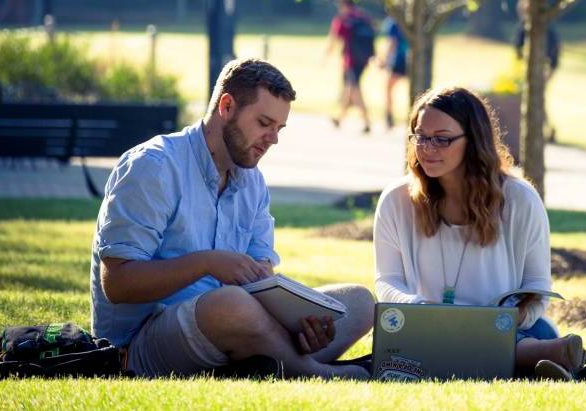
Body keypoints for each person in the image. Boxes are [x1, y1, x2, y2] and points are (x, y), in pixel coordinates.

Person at [89, 58, 374, 379]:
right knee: (231, 305)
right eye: (264, 123)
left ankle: (272, 359)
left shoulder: (252, 182)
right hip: (139, 346)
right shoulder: (154, 166)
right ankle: (316, 374)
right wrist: (207, 262)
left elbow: (262, 281)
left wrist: (301, 321)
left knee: (358, 302)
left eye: (279, 128)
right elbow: (118, 285)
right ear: (226, 106)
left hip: (231, 320)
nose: (273, 138)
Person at [372, 87, 584, 381]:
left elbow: (536, 290)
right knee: (413, 347)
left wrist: (489, 326)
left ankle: (527, 354)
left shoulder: (520, 200)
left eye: (442, 139)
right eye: (420, 136)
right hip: (425, 329)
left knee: (537, 333)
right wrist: (420, 309)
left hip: (510, 330)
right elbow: (387, 281)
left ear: (473, 141)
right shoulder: (396, 199)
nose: (427, 147)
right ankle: (541, 357)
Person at [513, 0, 560, 142]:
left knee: (539, 100)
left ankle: (547, 128)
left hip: (543, 70)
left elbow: (554, 54)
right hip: (524, 71)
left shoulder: (547, 29)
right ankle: (544, 128)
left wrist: (549, 71)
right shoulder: (522, 29)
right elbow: (517, 51)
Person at [325, 0, 375, 134]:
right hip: (364, 60)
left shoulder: (343, 20)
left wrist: (326, 56)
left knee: (355, 89)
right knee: (350, 89)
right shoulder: (364, 17)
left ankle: (366, 121)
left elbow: (334, 39)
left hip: (350, 60)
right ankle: (340, 118)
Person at [380, 16, 408, 129]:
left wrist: (385, 60)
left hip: (399, 60)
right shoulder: (413, 19)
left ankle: (389, 117)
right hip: (413, 59)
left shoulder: (393, 22)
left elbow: (392, 43)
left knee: (388, 88)